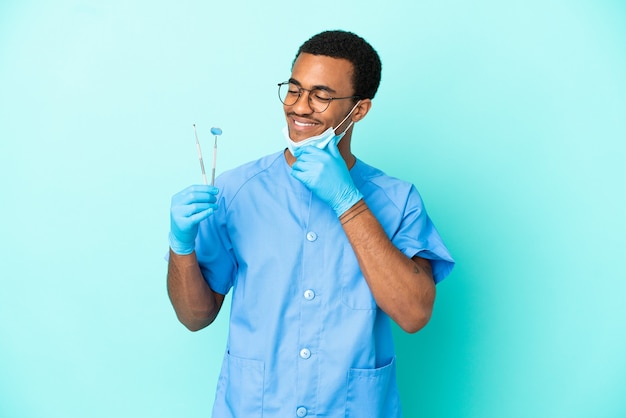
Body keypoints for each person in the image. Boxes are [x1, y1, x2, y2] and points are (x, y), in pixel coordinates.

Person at [167, 30, 454, 417]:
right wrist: (181, 246)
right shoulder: (236, 191)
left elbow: (414, 314)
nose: (300, 107)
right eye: (294, 89)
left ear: (360, 109)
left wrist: (348, 203)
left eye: (321, 95)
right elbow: (195, 317)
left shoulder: (397, 200)